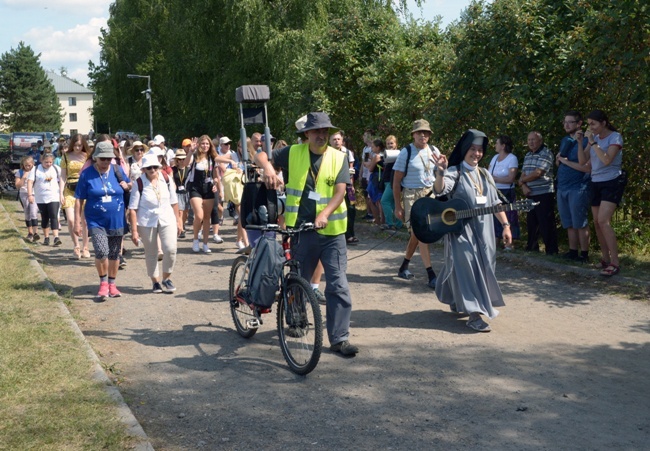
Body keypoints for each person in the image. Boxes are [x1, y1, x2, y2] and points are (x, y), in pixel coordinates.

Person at [255, 112, 358, 357]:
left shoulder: (338, 157)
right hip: (301, 230)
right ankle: (297, 321)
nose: (322, 135)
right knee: (298, 280)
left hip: (332, 232)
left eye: (326, 132)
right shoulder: (293, 152)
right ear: (307, 134)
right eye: (316, 132)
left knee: (338, 284)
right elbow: (258, 153)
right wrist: (268, 166)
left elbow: (340, 192)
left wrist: (324, 214)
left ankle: (339, 338)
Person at [432, 129, 512, 332]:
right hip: (461, 232)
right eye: (472, 149)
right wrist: (440, 172)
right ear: (464, 149)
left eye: (480, 150)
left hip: (485, 232)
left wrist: (505, 225)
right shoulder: (454, 172)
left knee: (484, 267)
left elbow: (495, 203)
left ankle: (454, 298)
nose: (476, 154)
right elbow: (440, 190)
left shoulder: (485, 174)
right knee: (467, 266)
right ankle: (474, 314)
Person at [74, 141, 132, 301]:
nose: (106, 162)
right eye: (103, 159)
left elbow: (129, 184)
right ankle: (103, 283)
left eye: (109, 159)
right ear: (95, 158)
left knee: (114, 254)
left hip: (117, 219)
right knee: (101, 251)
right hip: (96, 221)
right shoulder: (87, 175)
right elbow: (78, 199)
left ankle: (112, 284)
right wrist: (77, 222)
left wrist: (127, 185)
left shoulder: (117, 170)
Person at [576, 110, 625, 276]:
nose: (591, 127)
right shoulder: (594, 139)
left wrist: (593, 143)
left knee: (604, 221)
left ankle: (615, 263)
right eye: (589, 124)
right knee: (597, 222)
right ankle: (605, 259)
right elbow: (583, 162)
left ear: (603, 123)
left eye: (593, 124)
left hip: (612, 181)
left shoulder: (615, 137)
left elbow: (606, 160)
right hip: (595, 182)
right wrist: (580, 142)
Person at [392, 119, 439, 288]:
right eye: (420, 132)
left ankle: (404, 266)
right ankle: (431, 275)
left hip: (430, 196)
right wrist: (398, 206)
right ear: (413, 134)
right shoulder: (406, 152)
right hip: (411, 196)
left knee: (417, 234)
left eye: (426, 133)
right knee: (422, 234)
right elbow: (396, 182)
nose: (423, 135)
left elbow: (439, 175)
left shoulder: (434, 150)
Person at [129, 154, 182, 293]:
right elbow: (133, 209)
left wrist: (179, 220)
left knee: (170, 249)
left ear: (158, 167)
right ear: (144, 169)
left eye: (154, 167)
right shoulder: (139, 183)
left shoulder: (166, 179)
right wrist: (134, 231)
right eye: (148, 167)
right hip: (146, 221)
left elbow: (174, 201)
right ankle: (155, 281)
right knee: (151, 252)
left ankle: (166, 278)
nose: (152, 169)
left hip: (167, 218)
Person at [555, 111, 591, 262]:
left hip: (578, 187)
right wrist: (560, 160)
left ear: (579, 124)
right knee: (569, 222)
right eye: (565, 122)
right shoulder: (564, 140)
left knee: (580, 222)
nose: (567, 125)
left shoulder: (587, 141)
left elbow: (586, 167)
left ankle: (584, 254)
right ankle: (572, 251)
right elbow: (557, 161)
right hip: (562, 186)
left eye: (570, 122)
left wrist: (565, 161)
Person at [518, 131, 559, 255]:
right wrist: (523, 185)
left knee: (546, 222)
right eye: (529, 139)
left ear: (540, 141)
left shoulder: (546, 153)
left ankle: (551, 251)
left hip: (544, 192)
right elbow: (523, 173)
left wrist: (521, 181)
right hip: (530, 193)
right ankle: (532, 247)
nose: (530, 142)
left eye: (533, 139)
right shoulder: (528, 155)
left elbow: (538, 173)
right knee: (532, 222)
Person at [59, 134, 90, 259]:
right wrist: (60, 193)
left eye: (80, 145)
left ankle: (85, 247)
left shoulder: (87, 156)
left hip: (84, 190)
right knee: (71, 220)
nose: (78, 147)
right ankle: (76, 245)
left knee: (84, 221)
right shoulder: (66, 157)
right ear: (72, 144)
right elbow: (62, 176)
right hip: (69, 190)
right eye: (76, 145)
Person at [487, 135, 520, 249]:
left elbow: (510, 178)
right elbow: (488, 173)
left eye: (497, 143)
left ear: (503, 146)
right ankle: (495, 243)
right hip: (494, 190)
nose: (495, 145)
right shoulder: (495, 157)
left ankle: (509, 244)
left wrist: (494, 179)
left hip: (506, 192)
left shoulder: (512, 158)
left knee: (508, 217)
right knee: (494, 216)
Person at [27, 153, 63, 246]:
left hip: (54, 196)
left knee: (54, 216)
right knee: (45, 217)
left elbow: (62, 179)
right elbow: (30, 182)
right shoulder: (35, 169)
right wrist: (30, 195)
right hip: (41, 197)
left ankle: (56, 237)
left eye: (50, 162)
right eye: (46, 162)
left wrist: (62, 193)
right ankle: (46, 238)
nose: (48, 164)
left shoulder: (56, 168)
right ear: (41, 161)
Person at [329, 131, 359, 244]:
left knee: (351, 209)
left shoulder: (347, 152)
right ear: (330, 141)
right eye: (334, 139)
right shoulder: (327, 152)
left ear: (342, 141)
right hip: (333, 185)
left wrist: (351, 185)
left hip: (348, 186)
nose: (336, 141)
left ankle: (350, 234)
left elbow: (351, 170)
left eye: (338, 139)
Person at [379, 135, 403, 231]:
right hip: (387, 181)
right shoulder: (387, 154)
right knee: (393, 203)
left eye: (392, 143)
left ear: (396, 144)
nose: (390, 145)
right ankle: (398, 223)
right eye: (388, 143)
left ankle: (390, 223)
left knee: (384, 201)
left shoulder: (399, 154)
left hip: (393, 182)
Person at [15, 156, 39, 242]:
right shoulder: (20, 172)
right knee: (27, 212)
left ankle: (36, 233)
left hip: (34, 193)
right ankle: (30, 232)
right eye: (25, 165)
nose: (27, 167)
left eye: (29, 165)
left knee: (33, 212)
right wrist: (24, 177)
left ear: (33, 164)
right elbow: (17, 186)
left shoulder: (36, 171)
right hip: (23, 194)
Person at [364, 139, 385, 225]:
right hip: (381, 178)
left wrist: (366, 164)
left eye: (373, 147)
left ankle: (379, 220)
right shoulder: (384, 155)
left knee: (374, 200)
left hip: (376, 178)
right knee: (379, 200)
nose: (371, 148)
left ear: (378, 147)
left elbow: (371, 168)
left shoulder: (377, 156)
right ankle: (381, 220)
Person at [172, 148, 190, 238]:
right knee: (180, 212)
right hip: (177, 192)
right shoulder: (173, 170)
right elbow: (171, 179)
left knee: (186, 212)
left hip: (187, 192)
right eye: (180, 159)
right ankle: (181, 229)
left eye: (183, 159)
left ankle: (182, 224)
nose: (182, 161)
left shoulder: (189, 169)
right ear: (176, 160)